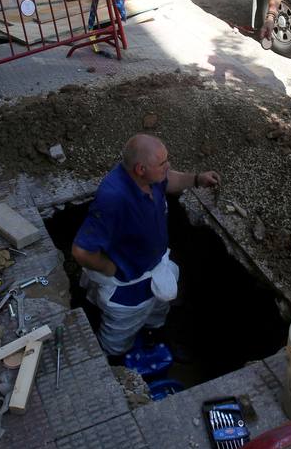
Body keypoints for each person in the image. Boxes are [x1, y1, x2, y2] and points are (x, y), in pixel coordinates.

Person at [72, 134, 220, 359]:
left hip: (155, 267)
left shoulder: (152, 178)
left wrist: (197, 179)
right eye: (162, 163)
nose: (167, 166)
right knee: (119, 335)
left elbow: (169, 179)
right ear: (140, 169)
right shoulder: (113, 199)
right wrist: (110, 268)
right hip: (128, 284)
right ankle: (117, 362)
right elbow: (81, 251)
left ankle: (154, 333)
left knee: (157, 311)